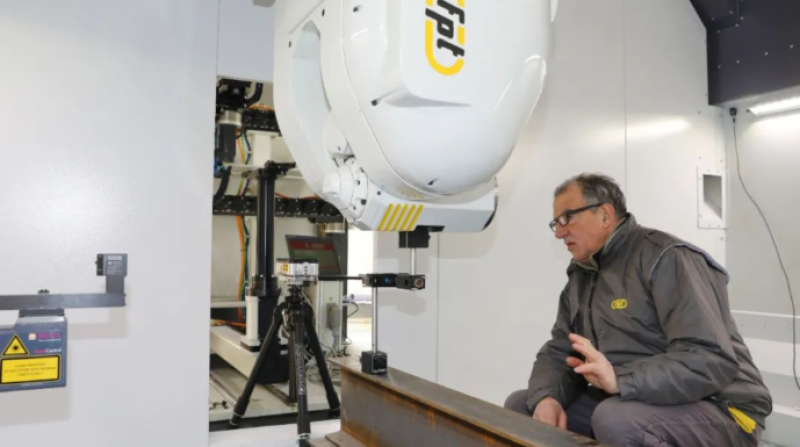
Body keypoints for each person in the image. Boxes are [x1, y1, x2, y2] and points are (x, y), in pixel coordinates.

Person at [504, 173, 772, 447]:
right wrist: (547, 396)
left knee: (615, 419)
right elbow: (563, 350)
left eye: (567, 218)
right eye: (555, 223)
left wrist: (620, 379)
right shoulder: (581, 276)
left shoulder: (666, 258)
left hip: (721, 406)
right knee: (524, 408)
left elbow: (710, 358)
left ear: (605, 215)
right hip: (636, 398)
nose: (559, 233)